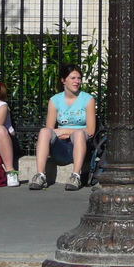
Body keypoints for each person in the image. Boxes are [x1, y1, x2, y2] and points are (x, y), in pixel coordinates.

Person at [30, 63, 96, 191]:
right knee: (44, 131)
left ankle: (75, 176)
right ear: (63, 80)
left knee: (78, 134)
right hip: (61, 147)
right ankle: (40, 175)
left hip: (80, 145)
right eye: (73, 78)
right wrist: (60, 133)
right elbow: (51, 130)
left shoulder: (88, 99)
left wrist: (64, 131)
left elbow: (90, 130)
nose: (77, 81)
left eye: (79, 78)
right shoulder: (55, 100)